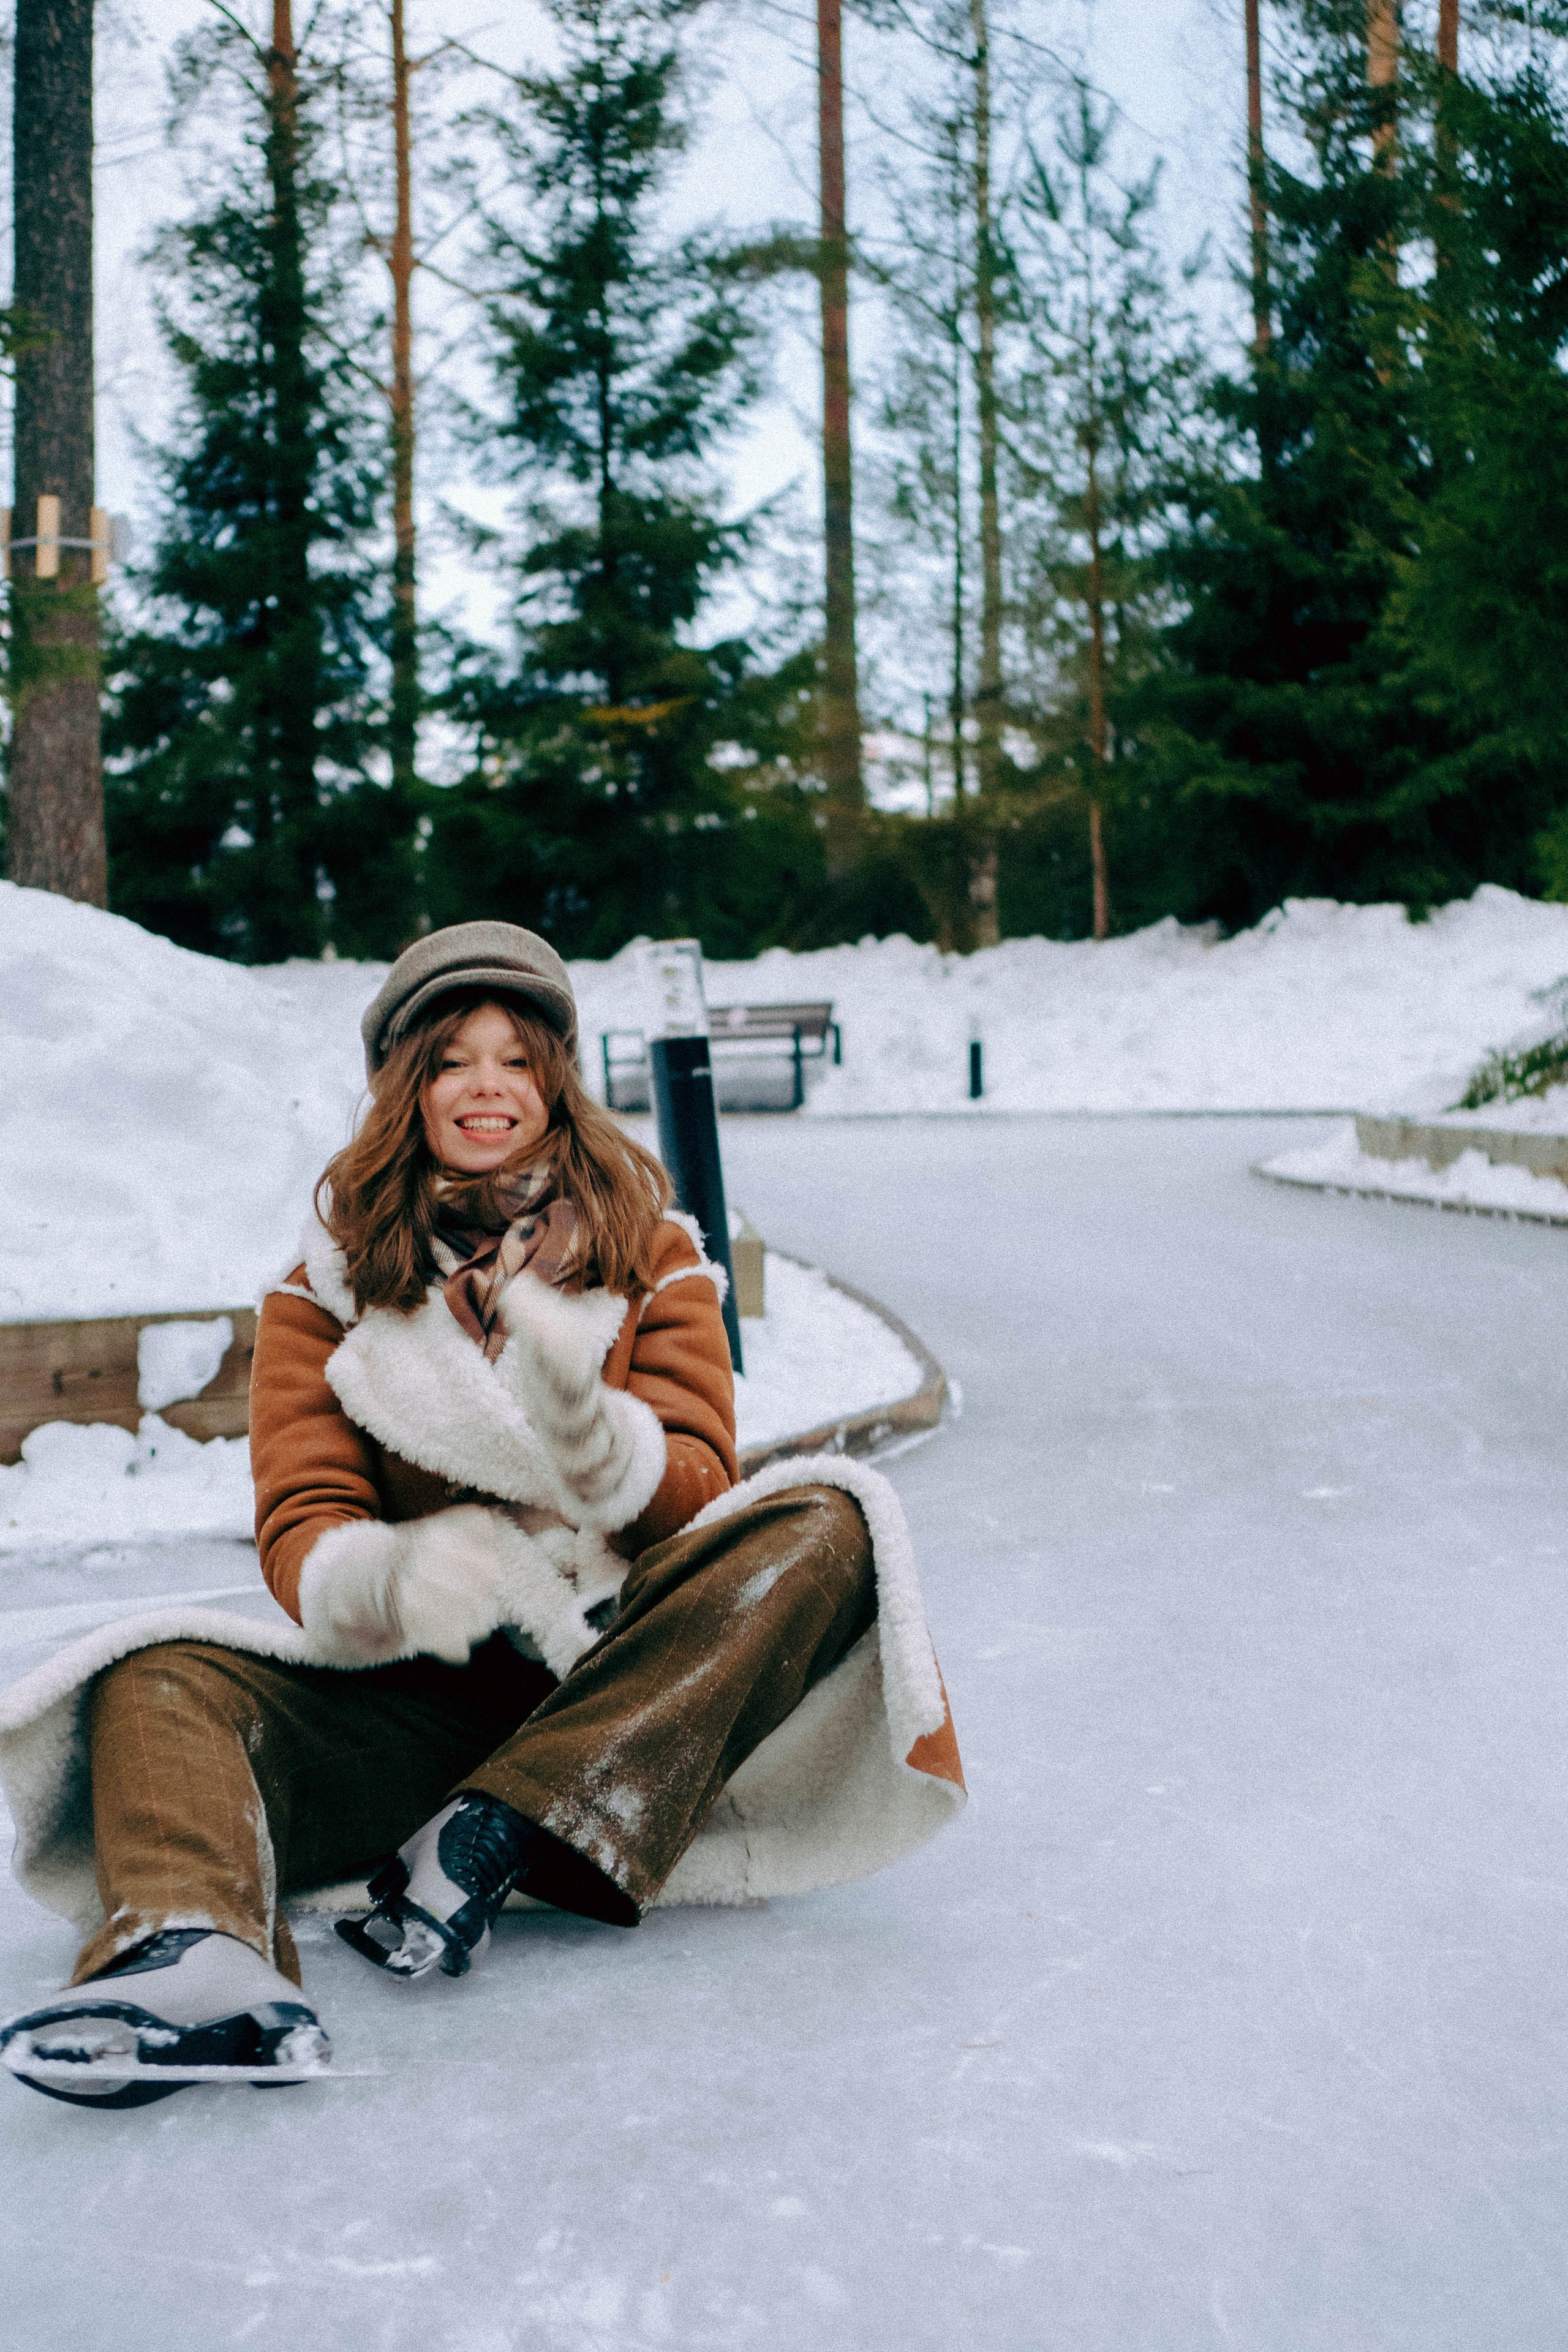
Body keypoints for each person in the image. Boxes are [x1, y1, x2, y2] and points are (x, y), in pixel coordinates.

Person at [0, 924, 961, 2111]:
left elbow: (704, 1486)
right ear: (407, 1084)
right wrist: (386, 1580)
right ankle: (191, 1955)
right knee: (152, 1677)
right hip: (420, 1692)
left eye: (517, 1056)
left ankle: (486, 1837)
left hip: (624, 1681)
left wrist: (594, 1439)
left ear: (554, 1077)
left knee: (831, 1518)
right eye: (454, 1058)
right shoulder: (321, 1289)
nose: (488, 1084)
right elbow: (302, 1514)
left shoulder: (654, 1254)